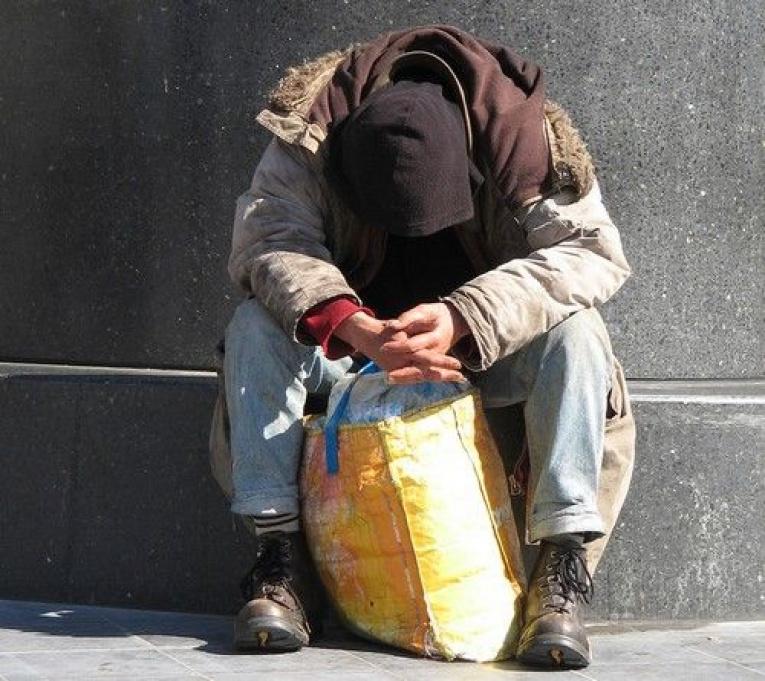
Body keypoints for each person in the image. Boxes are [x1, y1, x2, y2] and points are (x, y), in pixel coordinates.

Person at [210, 25, 636, 669]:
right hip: (354, 356)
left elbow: (592, 254)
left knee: (579, 333)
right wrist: (355, 325)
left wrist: (464, 315)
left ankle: (560, 570)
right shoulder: (309, 133)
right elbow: (267, 241)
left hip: (483, 356)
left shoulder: (527, 138)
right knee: (254, 328)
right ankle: (280, 562)